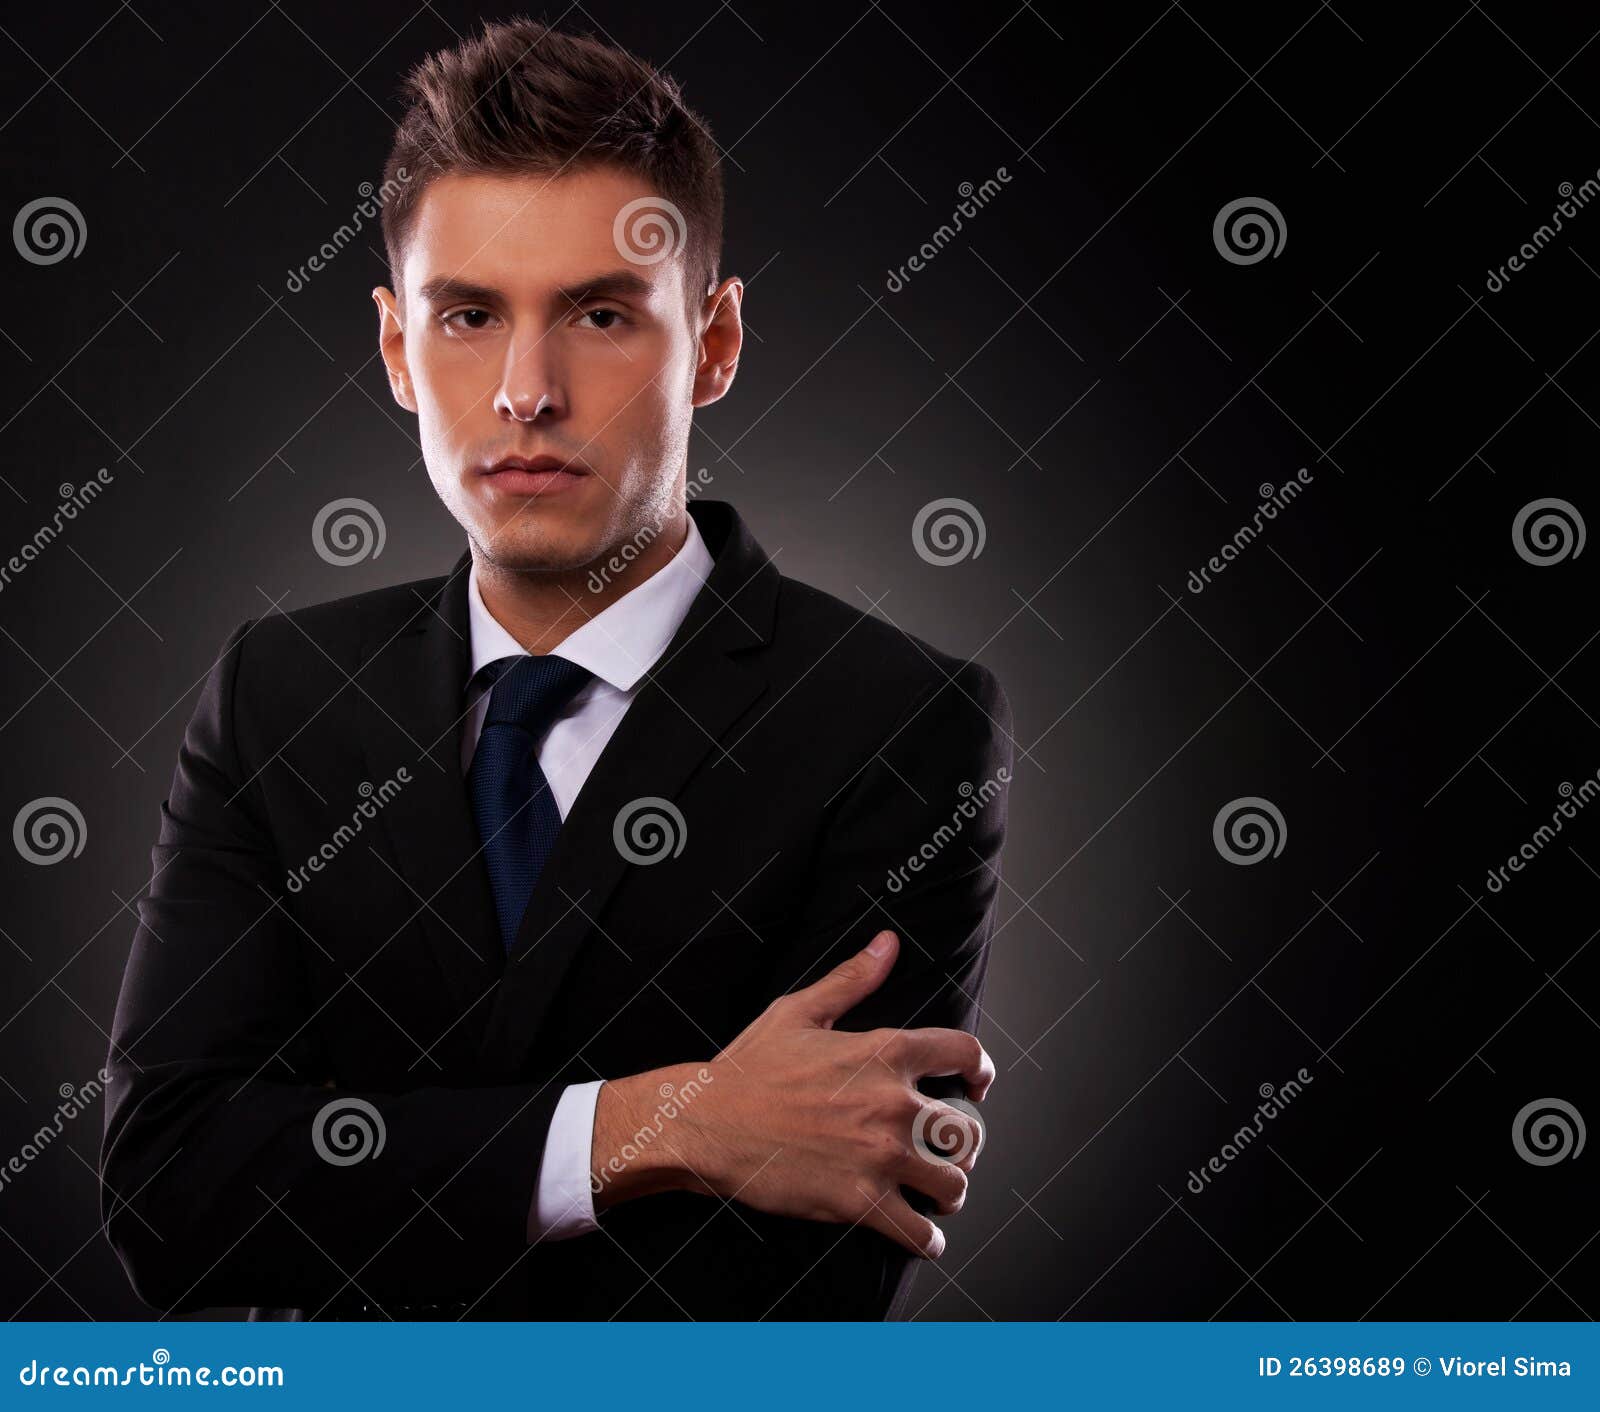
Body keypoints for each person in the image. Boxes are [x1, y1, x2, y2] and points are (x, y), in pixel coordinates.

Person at [100, 17, 1012, 1321]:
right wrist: (668, 1125)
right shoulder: (280, 696)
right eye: (469, 315)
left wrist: (355, 1181)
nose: (528, 391)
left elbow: (805, 1271)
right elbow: (173, 1193)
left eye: (598, 312)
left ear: (714, 341)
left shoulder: (894, 719)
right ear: (398, 349)